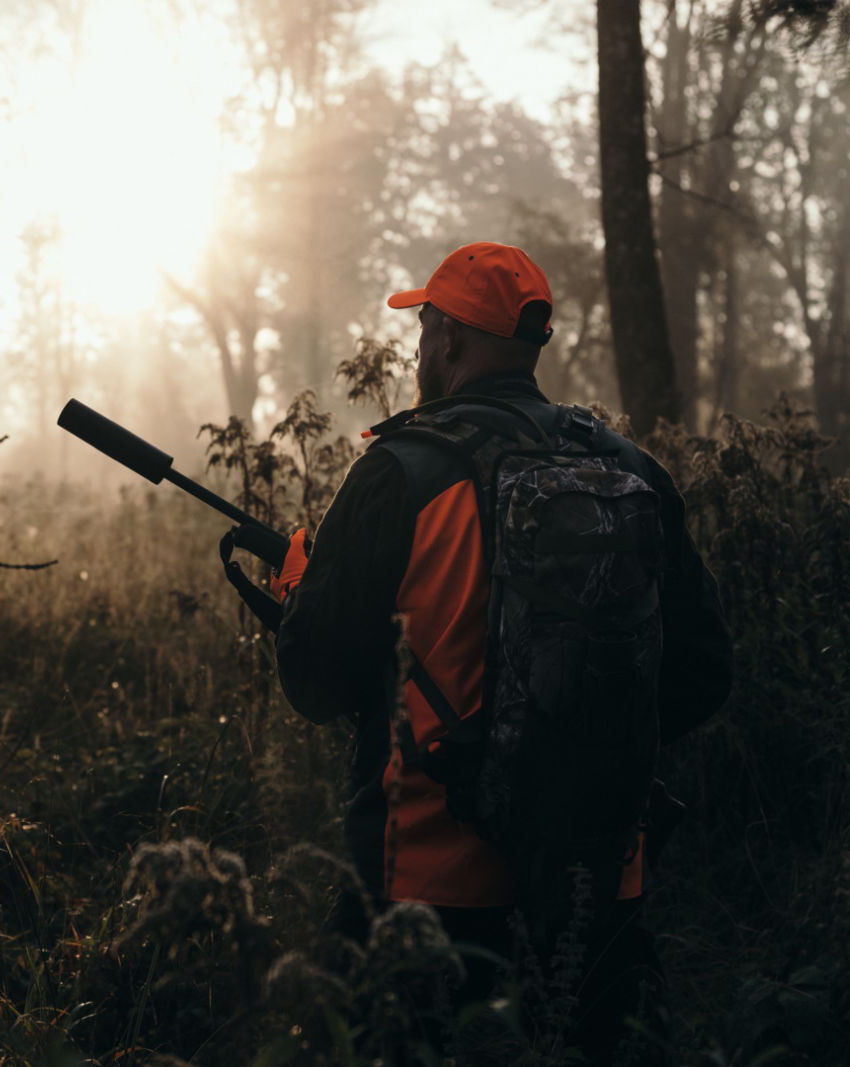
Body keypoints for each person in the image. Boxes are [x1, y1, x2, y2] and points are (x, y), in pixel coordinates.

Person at [271, 241, 733, 1061]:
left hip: (421, 893)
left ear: (448, 340)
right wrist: (584, 761)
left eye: (424, 329)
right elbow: (703, 672)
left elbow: (318, 681)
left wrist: (299, 593)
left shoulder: (399, 473)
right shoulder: (626, 468)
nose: (418, 349)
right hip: (597, 887)